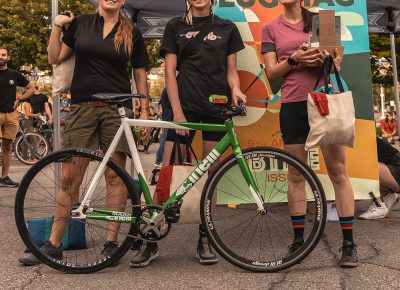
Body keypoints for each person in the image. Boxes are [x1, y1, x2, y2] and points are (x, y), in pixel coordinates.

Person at [19, 0, 150, 266]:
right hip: (82, 106)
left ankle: (112, 244)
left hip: (118, 109)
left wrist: (145, 110)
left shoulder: (131, 31)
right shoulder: (81, 24)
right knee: (69, 177)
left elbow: (140, 73)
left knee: (116, 177)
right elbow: (55, 57)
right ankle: (53, 244)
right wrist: (56, 27)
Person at [130, 0, 246, 267]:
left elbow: (231, 72)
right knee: (166, 172)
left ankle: (205, 238)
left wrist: (236, 90)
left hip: (216, 108)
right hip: (184, 108)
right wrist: (179, 114)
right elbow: (169, 73)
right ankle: (151, 238)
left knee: (210, 175)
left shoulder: (227, 28)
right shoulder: (175, 26)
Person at [262, 0, 358, 267]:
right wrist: (295, 59)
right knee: (295, 174)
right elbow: (271, 74)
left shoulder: (324, 21)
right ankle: (298, 241)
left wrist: (327, 59)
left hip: (324, 101)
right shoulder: (270, 28)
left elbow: (338, 66)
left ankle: (349, 245)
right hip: (292, 104)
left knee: (338, 171)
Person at [0, 46, 34, 187]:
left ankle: (4, 177)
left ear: (8, 57)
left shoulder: (14, 74)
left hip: (11, 114)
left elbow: (31, 88)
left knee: (7, 146)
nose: (0, 57)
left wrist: (19, 100)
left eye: (3, 54)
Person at [359, 137, 400, 219]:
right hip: (392, 169)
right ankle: (389, 193)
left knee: (359, 167)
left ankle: (378, 205)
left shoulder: (359, 136)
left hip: (396, 169)